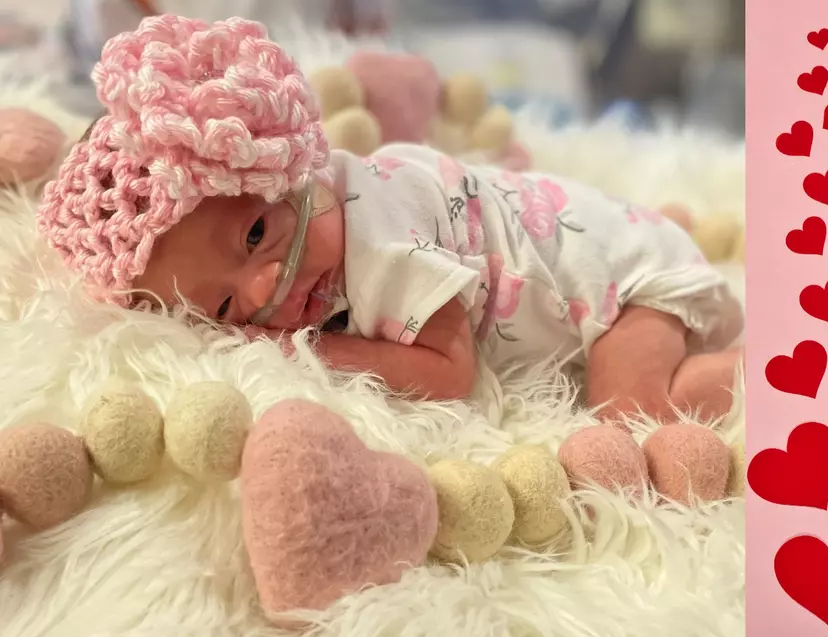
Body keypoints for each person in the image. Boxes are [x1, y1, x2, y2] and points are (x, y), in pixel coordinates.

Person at [39, 15, 744, 425]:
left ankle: (756, 374)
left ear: (292, 172)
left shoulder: (381, 239)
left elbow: (449, 370)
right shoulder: (320, 225)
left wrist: (315, 353)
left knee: (629, 410)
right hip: (617, 242)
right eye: (223, 306)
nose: (261, 295)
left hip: (630, 287)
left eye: (258, 235)